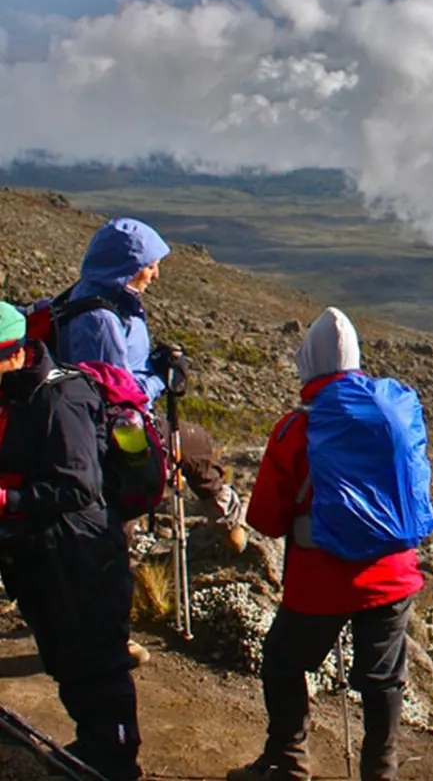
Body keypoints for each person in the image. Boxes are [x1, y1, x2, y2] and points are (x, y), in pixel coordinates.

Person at [229, 308, 426, 781]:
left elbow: (265, 519)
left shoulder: (296, 429)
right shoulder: (394, 416)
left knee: (283, 659)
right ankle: (381, 773)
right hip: (392, 574)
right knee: (382, 681)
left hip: (320, 580)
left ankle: (288, 762)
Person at [0, 301, 142, 781]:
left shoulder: (60, 400)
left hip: (82, 556)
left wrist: (9, 498)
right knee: (68, 660)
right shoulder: (18, 395)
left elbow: (79, 486)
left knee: (97, 666)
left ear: (15, 353)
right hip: (45, 555)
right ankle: (96, 747)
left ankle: (117, 762)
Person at [55, 217, 246, 553]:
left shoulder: (98, 296)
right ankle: (226, 518)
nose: (155, 275)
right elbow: (115, 395)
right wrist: (161, 378)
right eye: (150, 266)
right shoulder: (100, 320)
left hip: (106, 425)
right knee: (192, 443)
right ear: (126, 266)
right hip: (116, 431)